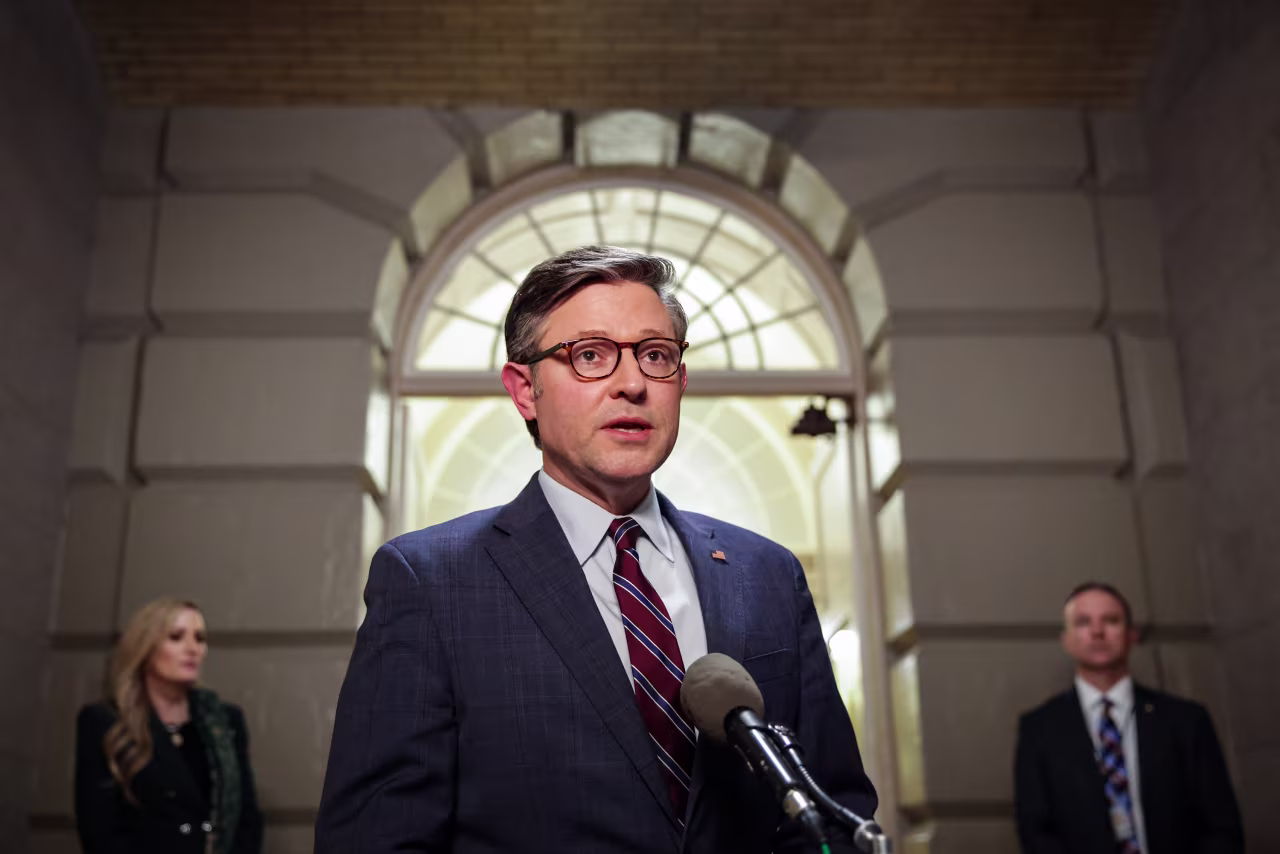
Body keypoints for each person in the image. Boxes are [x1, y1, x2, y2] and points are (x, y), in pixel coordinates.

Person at [316, 245, 877, 853]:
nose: (632, 384)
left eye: (655, 356)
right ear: (524, 390)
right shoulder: (430, 582)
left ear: (680, 382)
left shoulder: (766, 573)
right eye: (589, 356)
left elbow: (833, 814)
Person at [1014, 582, 1243, 854]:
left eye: (1111, 620)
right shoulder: (1039, 729)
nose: (1098, 632)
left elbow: (1221, 827)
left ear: (1132, 634)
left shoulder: (1186, 721)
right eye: (1084, 622)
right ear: (1067, 639)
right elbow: (1036, 833)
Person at [75, 598, 263, 854]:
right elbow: (100, 830)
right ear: (145, 647)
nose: (192, 648)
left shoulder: (225, 722)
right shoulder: (105, 722)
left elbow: (247, 819)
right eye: (176, 637)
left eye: (200, 638)